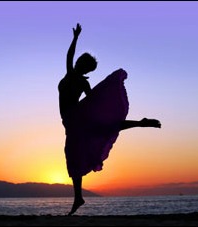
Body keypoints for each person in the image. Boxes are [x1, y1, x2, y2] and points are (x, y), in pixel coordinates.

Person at [58, 23, 161, 216]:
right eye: (80, 61)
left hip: (74, 118)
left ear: (86, 68)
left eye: (82, 63)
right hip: (71, 121)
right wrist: (75, 38)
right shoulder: (72, 75)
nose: (78, 63)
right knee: (89, 142)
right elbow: (69, 56)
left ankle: (78, 197)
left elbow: (92, 99)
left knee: (77, 152)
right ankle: (78, 197)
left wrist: (75, 39)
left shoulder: (76, 78)